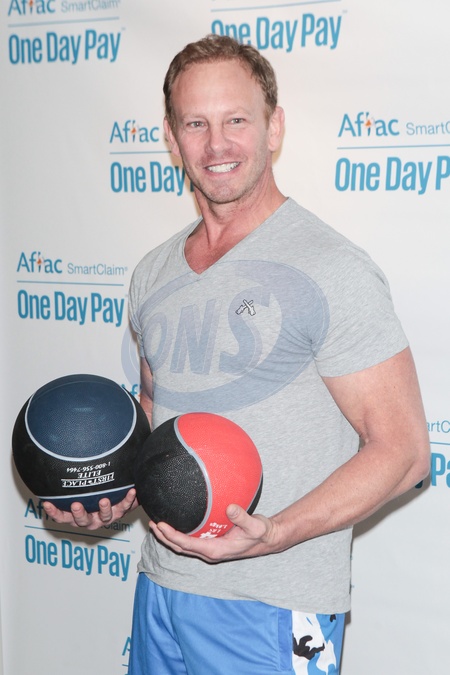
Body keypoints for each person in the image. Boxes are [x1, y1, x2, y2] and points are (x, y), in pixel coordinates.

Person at [44, 34, 430, 674]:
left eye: (236, 121)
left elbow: (405, 451)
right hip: (161, 587)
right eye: (195, 123)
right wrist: (107, 489)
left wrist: (273, 533)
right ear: (171, 138)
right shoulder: (152, 272)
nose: (216, 145)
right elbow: (153, 420)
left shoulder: (331, 267)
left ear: (274, 129)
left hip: (271, 606)